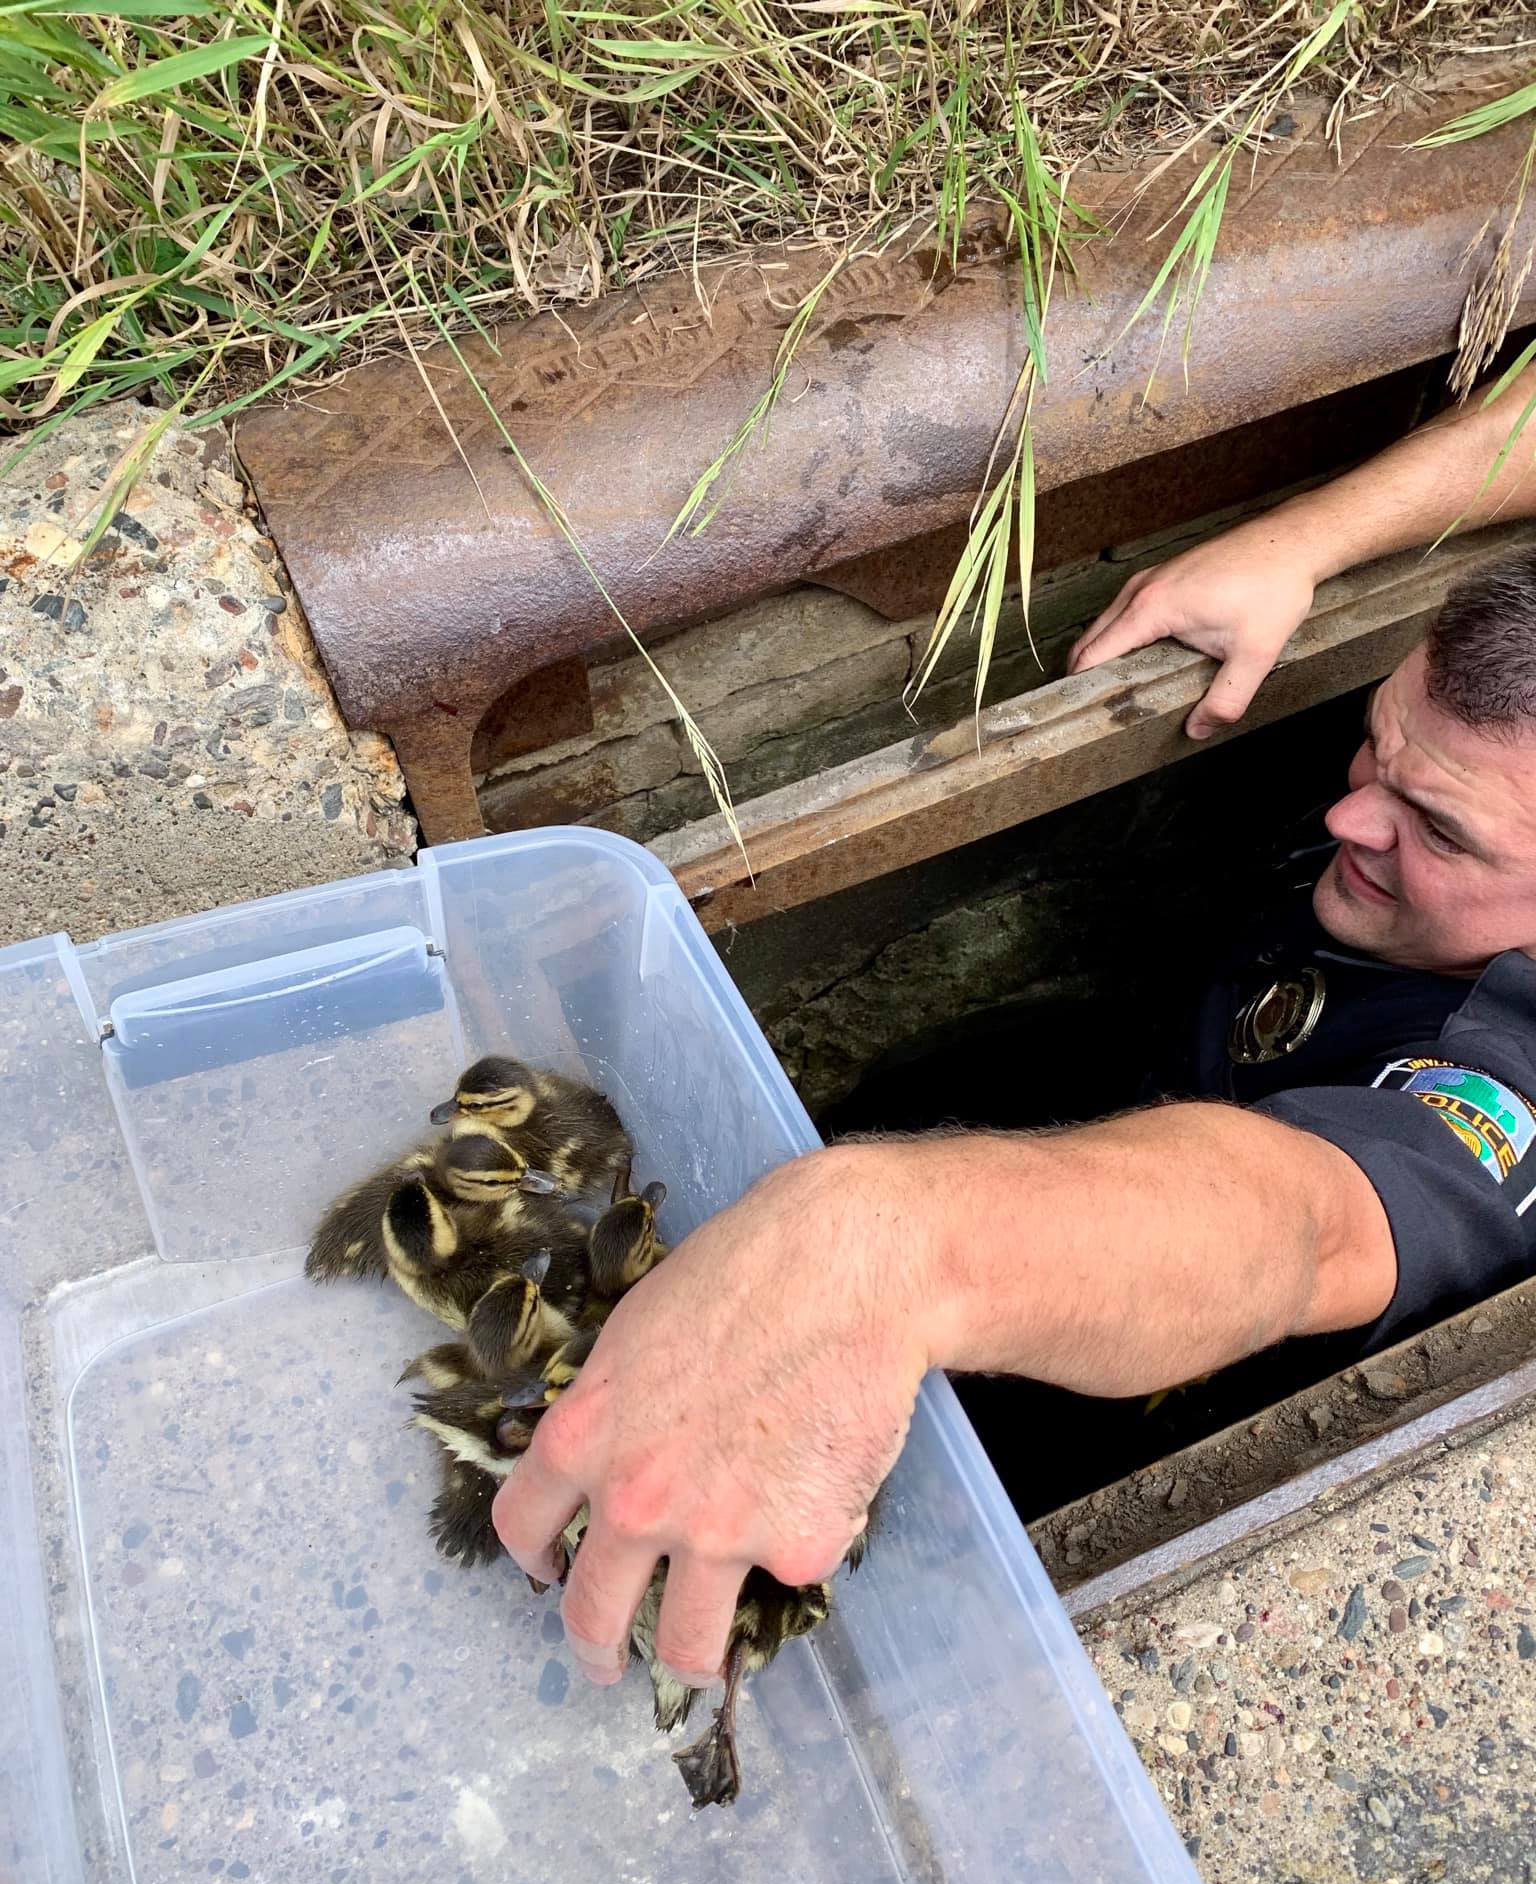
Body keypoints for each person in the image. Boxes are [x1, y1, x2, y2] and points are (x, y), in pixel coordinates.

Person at [494, 362, 1536, 1697]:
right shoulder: (1417, 825)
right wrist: (1304, 541)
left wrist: (893, 1244)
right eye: (1374, 748)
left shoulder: (1504, 1077)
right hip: (1156, 1059)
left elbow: (1304, 1227)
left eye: (1438, 829)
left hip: (1168, 1355)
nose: (1351, 818)